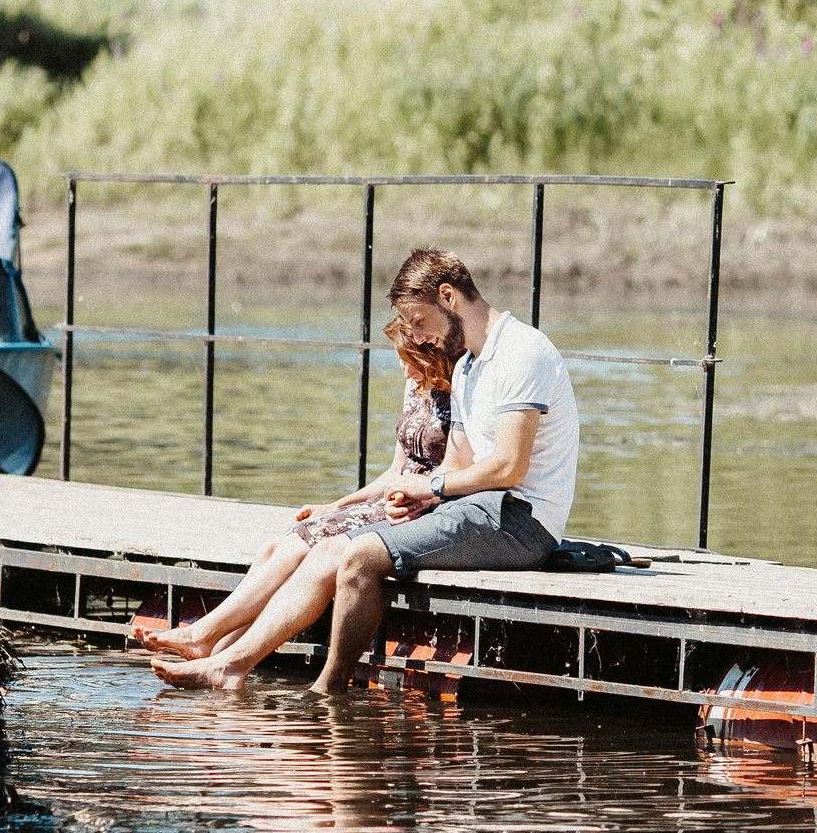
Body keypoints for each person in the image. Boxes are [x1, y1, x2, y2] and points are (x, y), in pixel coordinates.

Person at [151, 248, 577, 692]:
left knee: (359, 557)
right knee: (328, 548)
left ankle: (327, 689)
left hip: (521, 520)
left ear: (448, 296)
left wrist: (431, 484)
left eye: (418, 320)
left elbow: (509, 466)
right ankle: (230, 665)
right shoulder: (468, 367)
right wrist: (421, 496)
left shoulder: (521, 351)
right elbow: (458, 465)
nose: (416, 335)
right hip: (476, 510)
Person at [135, 317, 457, 664]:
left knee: (304, 540)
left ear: (431, 354)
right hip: (390, 498)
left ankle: (203, 636)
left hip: (420, 507)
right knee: (282, 541)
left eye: (410, 361)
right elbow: (395, 471)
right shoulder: (414, 386)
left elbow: (455, 471)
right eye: (401, 361)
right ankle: (213, 651)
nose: (405, 371)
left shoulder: (461, 391)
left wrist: (415, 495)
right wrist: (335, 504)